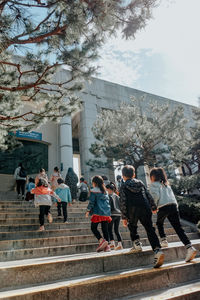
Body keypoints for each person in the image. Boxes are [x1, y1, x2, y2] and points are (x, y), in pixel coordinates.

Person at [119, 165, 164, 268]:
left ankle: (137, 244)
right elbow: (148, 195)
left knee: (132, 226)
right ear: (134, 174)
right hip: (145, 207)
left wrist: (124, 217)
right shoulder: (140, 183)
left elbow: (122, 202)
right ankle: (157, 250)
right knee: (150, 229)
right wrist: (153, 206)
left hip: (132, 209)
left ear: (123, 176)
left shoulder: (123, 186)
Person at [149, 167, 197, 262]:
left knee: (159, 223)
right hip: (173, 206)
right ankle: (189, 247)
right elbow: (173, 197)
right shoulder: (167, 184)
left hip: (163, 206)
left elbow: (155, 196)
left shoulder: (154, 185)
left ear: (153, 176)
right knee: (178, 228)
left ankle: (163, 240)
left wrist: (153, 207)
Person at [86, 175, 112, 252]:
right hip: (106, 213)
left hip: (97, 212)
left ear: (95, 183)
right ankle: (107, 247)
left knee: (93, 228)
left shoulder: (93, 191)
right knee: (105, 229)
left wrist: (88, 210)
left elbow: (91, 202)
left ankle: (101, 240)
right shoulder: (105, 192)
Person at [106, 182, 123, 250]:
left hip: (112, 214)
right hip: (118, 214)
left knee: (109, 229)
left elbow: (108, 206)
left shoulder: (108, 196)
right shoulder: (117, 196)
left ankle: (112, 243)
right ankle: (120, 244)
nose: (106, 191)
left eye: (107, 189)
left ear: (110, 189)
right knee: (116, 230)